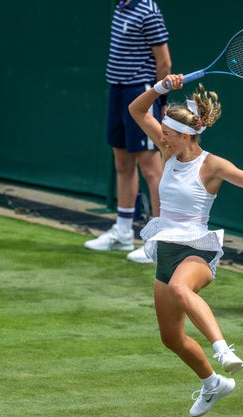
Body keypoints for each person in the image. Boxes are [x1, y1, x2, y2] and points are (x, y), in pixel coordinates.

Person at [128, 73, 243, 416]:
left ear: (187, 135)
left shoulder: (213, 165)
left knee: (181, 287)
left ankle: (223, 349)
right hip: (166, 246)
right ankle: (212, 383)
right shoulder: (166, 153)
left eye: (169, 134)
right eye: (163, 133)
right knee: (171, 338)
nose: (162, 138)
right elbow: (136, 110)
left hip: (198, 248)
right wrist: (163, 86)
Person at [84, 0, 171, 263]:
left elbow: (164, 62)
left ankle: (160, 241)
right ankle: (122, 232)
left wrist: (160, 100)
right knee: (122, 162)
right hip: (118, 89)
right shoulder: (121, 6)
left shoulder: (149, 10)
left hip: (141, 91)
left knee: (151, 167)